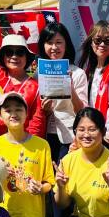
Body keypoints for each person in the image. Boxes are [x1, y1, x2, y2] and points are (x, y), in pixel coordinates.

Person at [38, 22, 89, 163]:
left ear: (66, 45)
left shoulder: (78, 74)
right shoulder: (37, 75)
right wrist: (46, 110)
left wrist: (70, 88)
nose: (54, 47)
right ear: (43, 45)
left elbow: (82, 111)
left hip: (69, 136)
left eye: (59, 42)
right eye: (49, 42)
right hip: (43, 133)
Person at [78, 20, 109, 145]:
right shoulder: (90, 69)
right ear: (91, 42)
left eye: (108, 40)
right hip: (91, 135)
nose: (102, 44)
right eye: (98, 40)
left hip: (107, 138)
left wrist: (107, 136)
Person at [0, 34, 46, 138]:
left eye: (20, 53)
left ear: (26, 57)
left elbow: (37, 121)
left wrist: (28, 145)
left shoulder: (35, 87)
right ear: (3, 56)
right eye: (9, 52)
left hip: (20, 146)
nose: (14, 56)